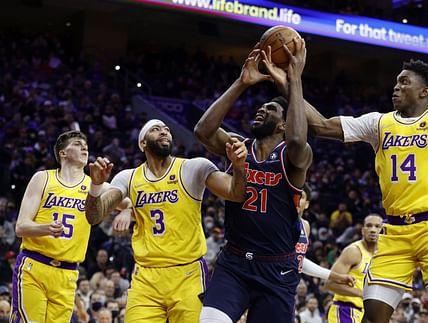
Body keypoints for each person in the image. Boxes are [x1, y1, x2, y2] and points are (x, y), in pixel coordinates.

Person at [262, 22, 428, 323]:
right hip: (394, 231)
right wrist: (291, 84)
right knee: (373, 316)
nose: (396, 86)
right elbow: (320, 125)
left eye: (405, 82)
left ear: (425, 92)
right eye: (396, 81)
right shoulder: (378, 123)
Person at [84, 119, 248, 322]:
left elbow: (236, 194)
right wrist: (95, 186)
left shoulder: (193, 167)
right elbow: (94, 216)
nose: (164, 132)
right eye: (155, 129)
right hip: (146, 277)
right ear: (143, 142)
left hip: (187, 274)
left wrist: (239, 167)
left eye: (167, 130)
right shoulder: (128, 178)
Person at [195, 38, 312, 323]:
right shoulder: (238, 146)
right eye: (262, 106)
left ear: (284, 124)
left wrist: (294, 79)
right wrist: (241, 83)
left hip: (276, 270)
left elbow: (297, 138)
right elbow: (203, 130)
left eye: (271, 109)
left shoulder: (293, 155)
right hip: (234, 262)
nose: (262, 109)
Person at [10, 130, 130, 322]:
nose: (84, 147)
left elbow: (127, 200)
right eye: (76, 144)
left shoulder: (94, 186)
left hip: (68, 273)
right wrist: (46, 228)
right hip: (34, 266)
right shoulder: (43, 178)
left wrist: (126, 211)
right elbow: (21, 227)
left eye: (86, 145)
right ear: (62, 153)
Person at [325, 214, 382, 322]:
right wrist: (360, 293)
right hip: (345, 310)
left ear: (383, 231)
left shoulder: (381, 256)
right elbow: (329, 283)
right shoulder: (353, 251)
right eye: (369, 226)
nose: (373, 230)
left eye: (377, 226)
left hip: (364, 314)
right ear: (362, 230)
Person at [297, 184, 355, 286]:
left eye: (300, 197)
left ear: (307, 204)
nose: (296, 200)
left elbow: (300, 261)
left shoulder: (305, 225)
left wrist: (338, 277)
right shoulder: (277, 222)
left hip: (289, 286)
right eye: (293, 196)